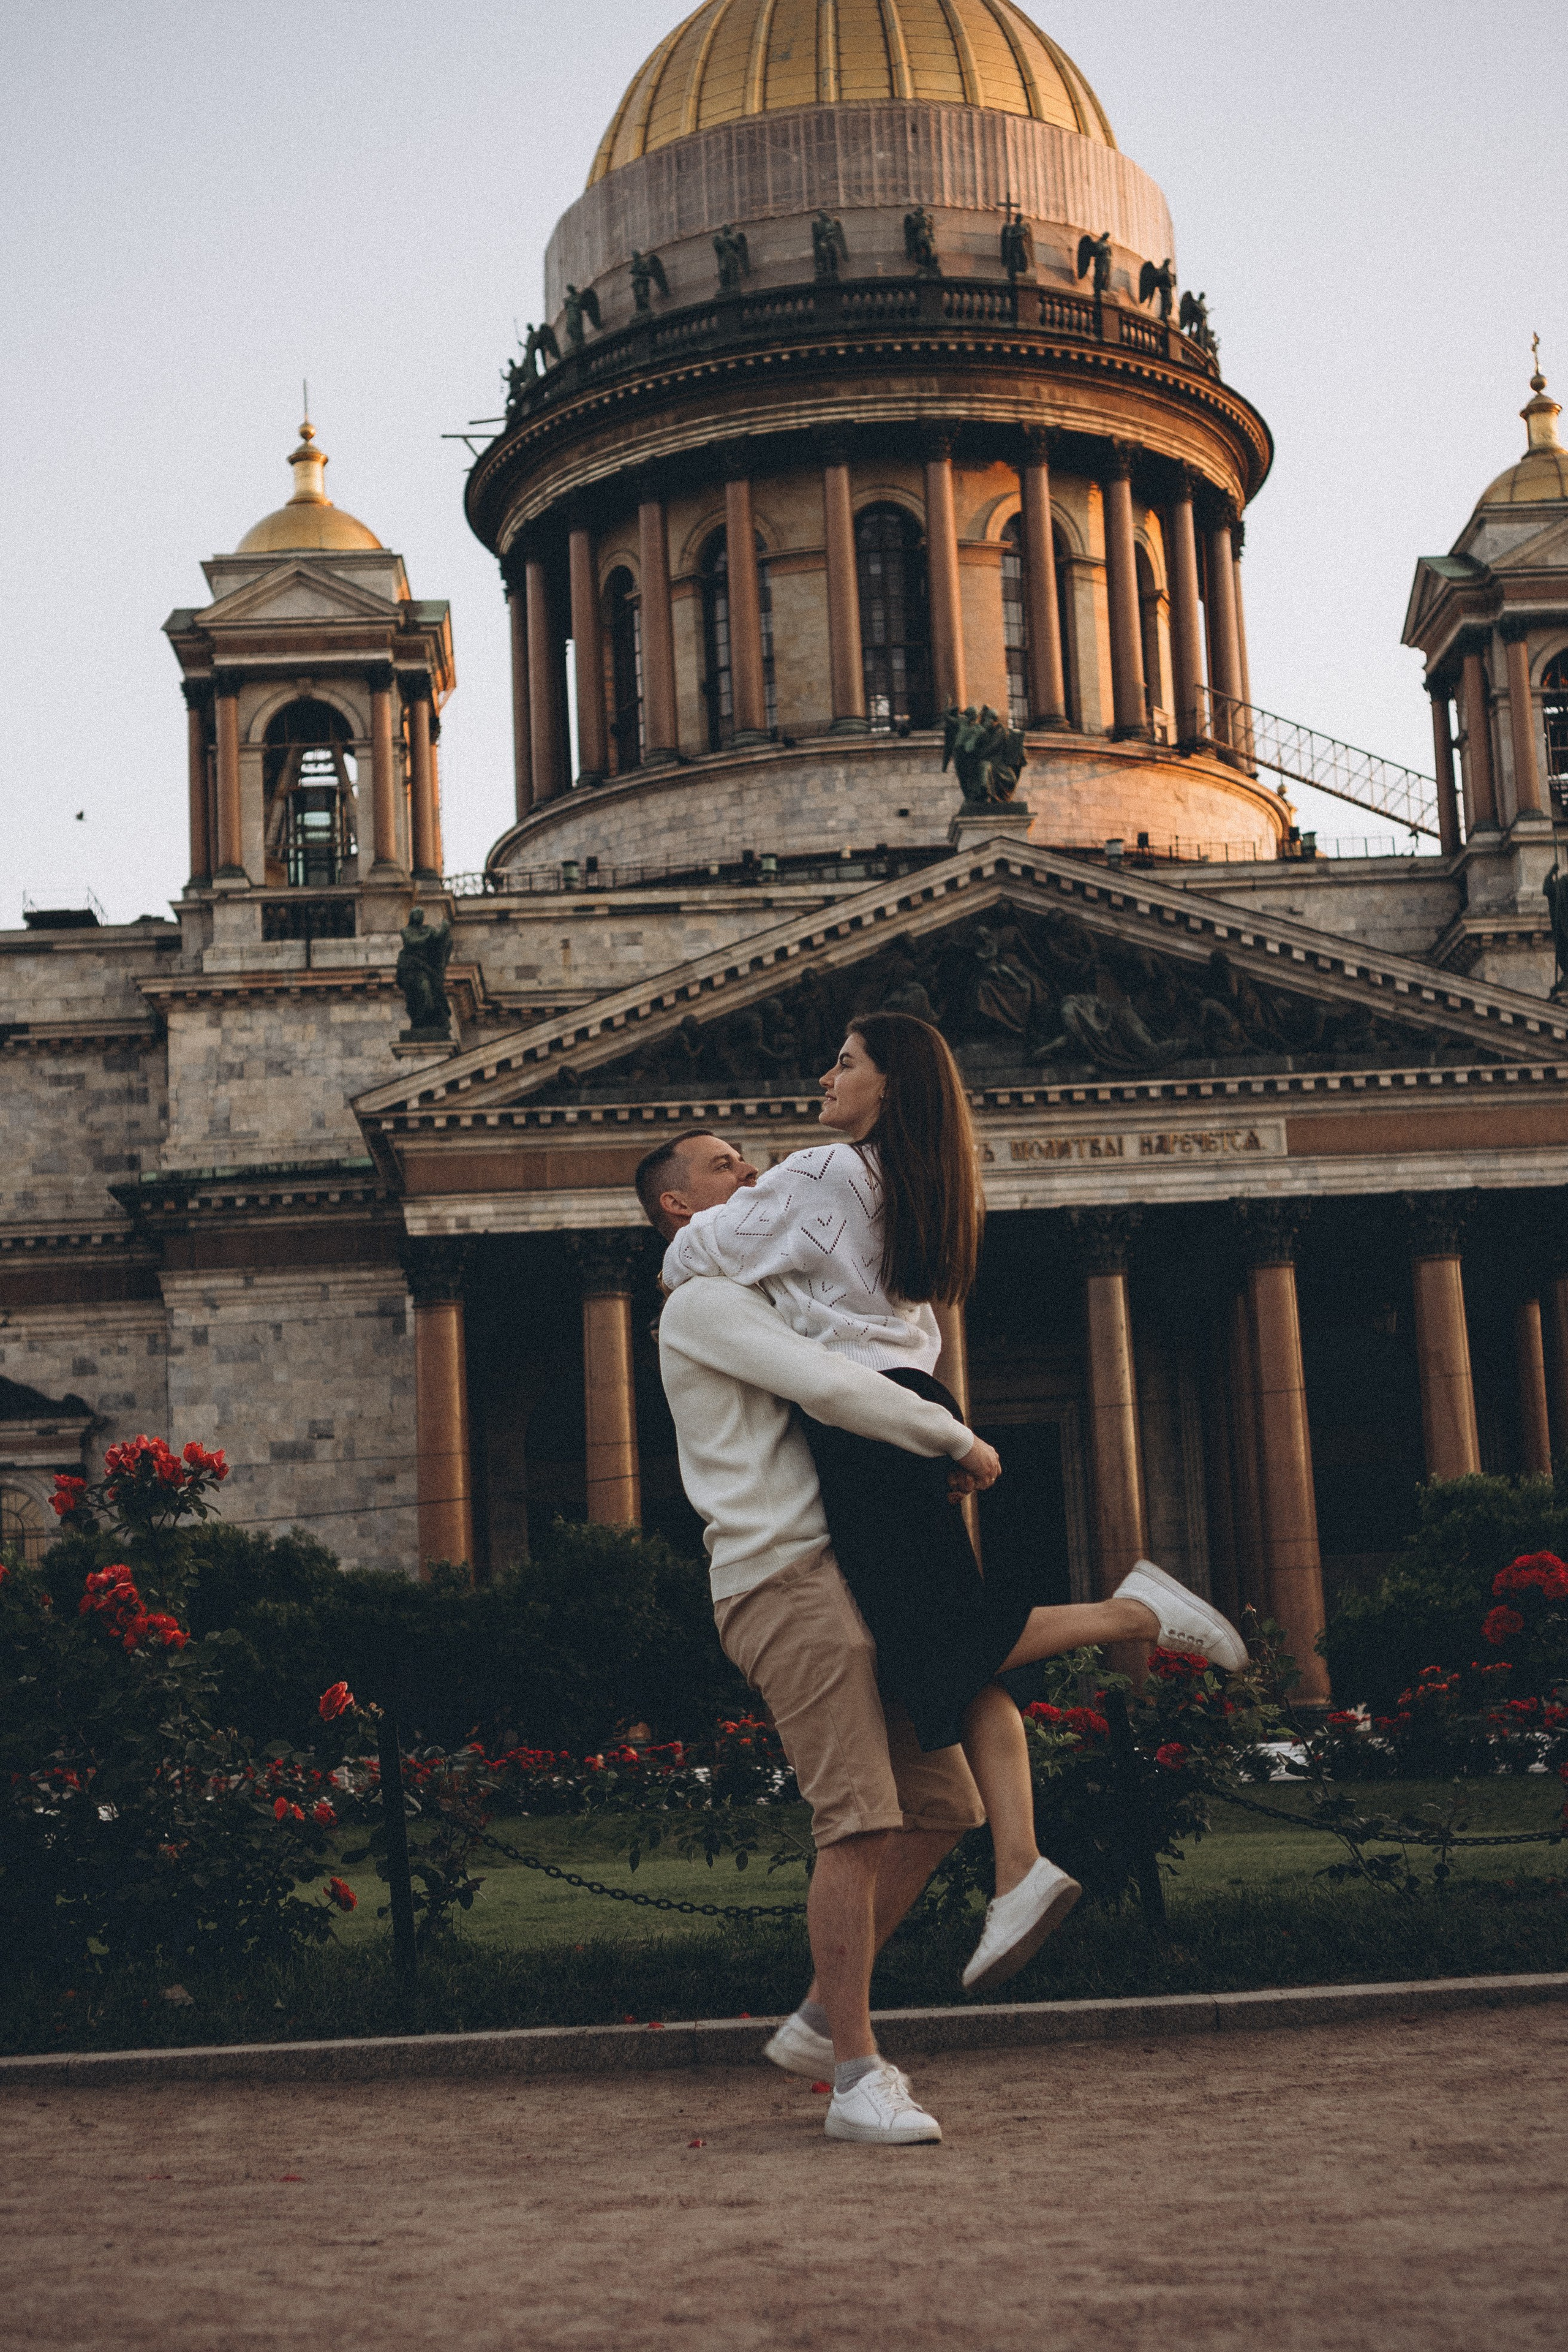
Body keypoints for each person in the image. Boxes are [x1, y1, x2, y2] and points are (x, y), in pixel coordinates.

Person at [660, 1013, 1248, 2001]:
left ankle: (1136, 1613)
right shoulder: (915, 1183)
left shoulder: (826, 1172)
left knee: (948, 1637)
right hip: (909, 1402)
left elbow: (691, 1257)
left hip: (872, 1427)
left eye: (843, 1062)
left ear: (888, 1085)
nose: (823, 1077)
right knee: (946, 1663)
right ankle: (1016, 1868)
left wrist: (717, 1229)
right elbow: (906, 1330)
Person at [640, 1129, 993, 2146]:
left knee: (945, 1806)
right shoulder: (704, 1305)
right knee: (859, 1822)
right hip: (781, 1579)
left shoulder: (760, 1292)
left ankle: (814, 2009)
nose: (750, 1175)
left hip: (840, 1578)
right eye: (721, 1167)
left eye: (749, 1160)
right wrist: (955, 1439)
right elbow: (831, 1390)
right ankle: (855, 2075)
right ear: (677, 1209)